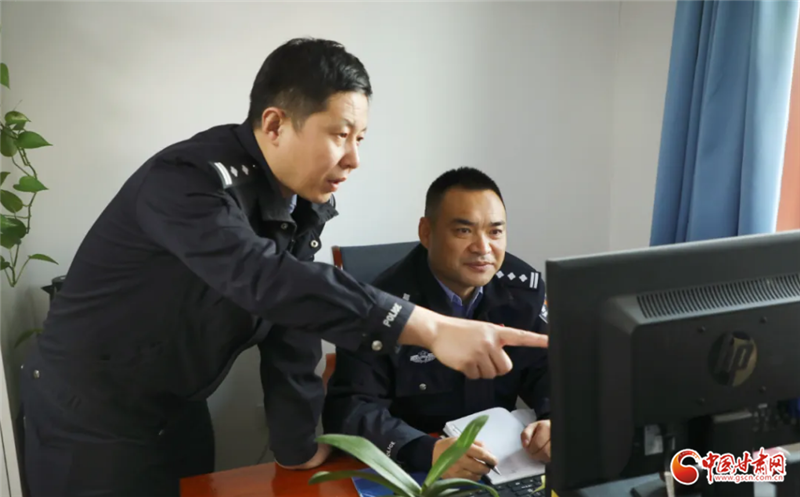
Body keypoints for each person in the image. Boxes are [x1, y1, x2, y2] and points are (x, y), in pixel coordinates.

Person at [18, 39, 547, 497]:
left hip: (175, 407)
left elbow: (293, 318)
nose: (354, 158)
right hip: (90, 415)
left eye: (360, 138)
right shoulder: (186, 181)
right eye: (340, 134)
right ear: (274, 124)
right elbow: (264, 277)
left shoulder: (296, 200)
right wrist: (427, 327)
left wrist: (297, 448)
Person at [323, 167, 551, 482]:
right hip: (419, 470)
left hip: (503, 465)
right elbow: (350, 410)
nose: (483, 248)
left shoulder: (522, 290)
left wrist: (554, 420)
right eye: (464, 231)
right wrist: (425, 450)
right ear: (426, 232)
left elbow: (549, 369)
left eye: (495, 232)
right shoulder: (381, 306)